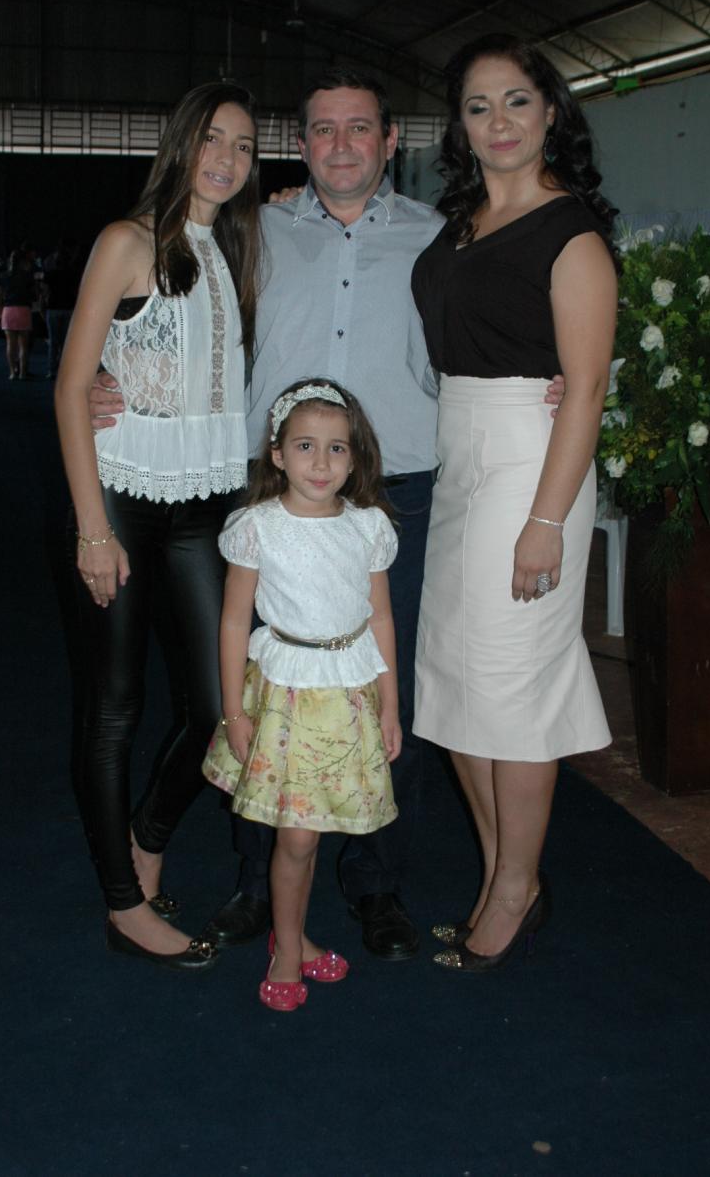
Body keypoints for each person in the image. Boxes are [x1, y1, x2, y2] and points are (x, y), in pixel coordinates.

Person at [89, 69, 562, 961]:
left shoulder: (442, 237)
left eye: (360, 128)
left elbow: (498, 324)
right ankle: (255, 879)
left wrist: (555, 372)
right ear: (300, 144)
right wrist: (105, 377)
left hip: (395, 493)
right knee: (263, 691)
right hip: (267, 496)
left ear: (391, 141)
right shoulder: (252, 230)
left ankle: (376, 883)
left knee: (385, 687)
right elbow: (173, 318)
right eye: (322, 129)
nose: (341, 144)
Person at [411, 32, 617, 973]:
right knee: (457, 681)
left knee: (514, 686)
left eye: (517, 101)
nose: (499, 121)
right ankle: (509, 875)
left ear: (551, 112)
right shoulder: (459, 225)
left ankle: (511, 889)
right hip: (460, 455)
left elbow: (586, 387)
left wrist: (545, 520)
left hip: (531, 466)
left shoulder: (570, 232)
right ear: (460, 126)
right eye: (478, 106)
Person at [54, 81, 264, 971]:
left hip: (204, 505)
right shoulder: (126, 241)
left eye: (244, 146)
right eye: (212, 138)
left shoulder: (236, 248)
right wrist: (91, 529)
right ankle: (122, 901)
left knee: (219, 706)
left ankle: (146, 836)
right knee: (115, 708)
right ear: (181, 142)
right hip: (120, 501)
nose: (226, 158)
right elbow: (72, 387)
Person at [202, 378, 400, 1008]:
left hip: (346, 697)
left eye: (337, 448)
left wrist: (391, 707)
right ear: (278, 455)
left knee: (310, 832)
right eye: (305, 446)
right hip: (286, 700)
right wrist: (233, 710)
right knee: (296, 837)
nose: (321, 462)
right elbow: (234, 622)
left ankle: (292, 935)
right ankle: (287, 949)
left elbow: (381, 618)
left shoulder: (367, 527)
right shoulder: (258, 527)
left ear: (355, 458)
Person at [41, 238, 83, 378]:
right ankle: (66, 370)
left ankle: (52, 370)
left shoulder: (50, 275)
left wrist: (43, 307)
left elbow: (44, 293)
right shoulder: (73, 274)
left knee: (53, 342)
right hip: (69, 308)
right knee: (66, 342)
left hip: (53, 308)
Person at [0, 246, 37, 379]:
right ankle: (22, 373)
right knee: (23, 346)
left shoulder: (3, 276)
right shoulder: (27, 276)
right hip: (24, 309)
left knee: (10, 344)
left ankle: (12, 372)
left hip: (8, 310)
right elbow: (34, 293)